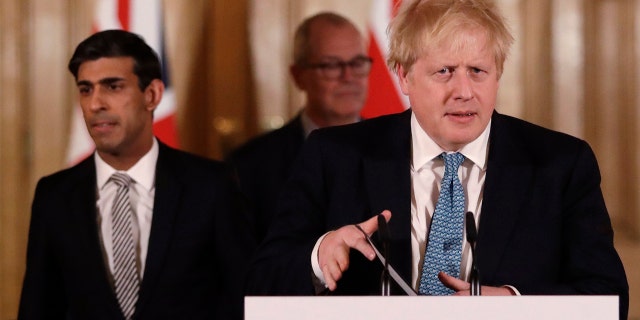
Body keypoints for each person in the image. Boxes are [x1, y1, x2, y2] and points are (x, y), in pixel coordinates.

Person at [246, 0, 629, 319]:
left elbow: (609, 297)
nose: (463, 92)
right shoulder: (334, 155)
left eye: (478, 71)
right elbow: (262, 282)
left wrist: (514, 304)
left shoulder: (561, 164)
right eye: (444, 71)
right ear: (404, 76)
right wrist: (319, 256)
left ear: (498, 74)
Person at [18, 30, 255, 319]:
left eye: (113, 87)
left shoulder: (211, 186)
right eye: (85, 89)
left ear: (152, 94)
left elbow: (243, 299)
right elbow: (38, 308)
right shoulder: (54, 195)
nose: (95, 104)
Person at [226, 12, 371, 241]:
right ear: (299, 76)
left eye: (357, 63)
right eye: (331, 65)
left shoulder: (399, 151)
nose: (348, 76)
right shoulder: (249, 167)